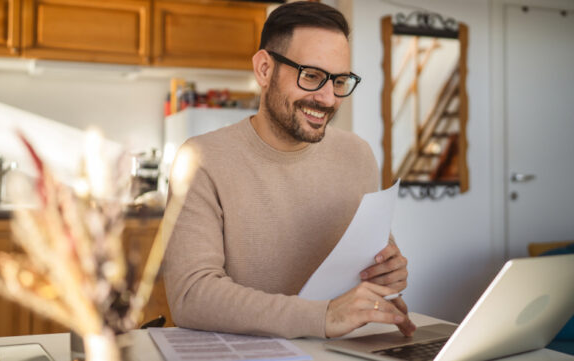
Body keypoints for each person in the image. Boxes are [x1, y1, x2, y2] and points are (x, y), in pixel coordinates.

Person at [163, 2, 415, 339]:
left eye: (339, 80)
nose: (328, 98)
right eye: (311, 76)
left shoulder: (358, 154)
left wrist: (387, 273)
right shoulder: (202, 159)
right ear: (265, 69)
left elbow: (368, 260)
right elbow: (191, 295)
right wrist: (322, 316)